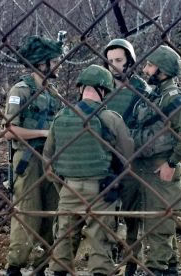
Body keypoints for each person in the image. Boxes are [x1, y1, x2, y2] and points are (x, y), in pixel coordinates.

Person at [45, 64, 134, 276]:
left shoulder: (61, 117)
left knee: (64, 239)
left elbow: (48, 159)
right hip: (101, 190)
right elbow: (127, 154)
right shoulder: (110, 118)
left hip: (68, 188)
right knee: (100, 239)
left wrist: (64, 185)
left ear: (81, 88)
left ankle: (58, 272)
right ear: (103, 90)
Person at [130, 45, 181, 275]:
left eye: (150, 65)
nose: (146, 69)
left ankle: (157, 269)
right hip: (145, 166)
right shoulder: (156, 95)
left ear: (163, 71)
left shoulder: (174, 98)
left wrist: (170, 163)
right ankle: (169, 267)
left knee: (159, 225)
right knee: (157, 222)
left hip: (161, 167)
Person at [3, 35, 64, 276]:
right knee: (27, 213)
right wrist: (43, 133)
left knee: (54, 213)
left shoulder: (51, 92)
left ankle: (44, 263)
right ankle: (15, 266)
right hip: (28, 162)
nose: (57, 65)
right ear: (42, 63)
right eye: (54, 60)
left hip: (51, 161)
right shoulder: (21, 90)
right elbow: (9, 131)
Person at [103, 38, 151, 275]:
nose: (114, 66)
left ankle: (132, 263)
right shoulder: (102, 86)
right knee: (106, 213)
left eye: (119, 60)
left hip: (133, 160)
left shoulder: (142, 89)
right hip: (106, 160)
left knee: (133, 215)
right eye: (110, 61)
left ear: (130, 61)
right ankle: (106, 260)